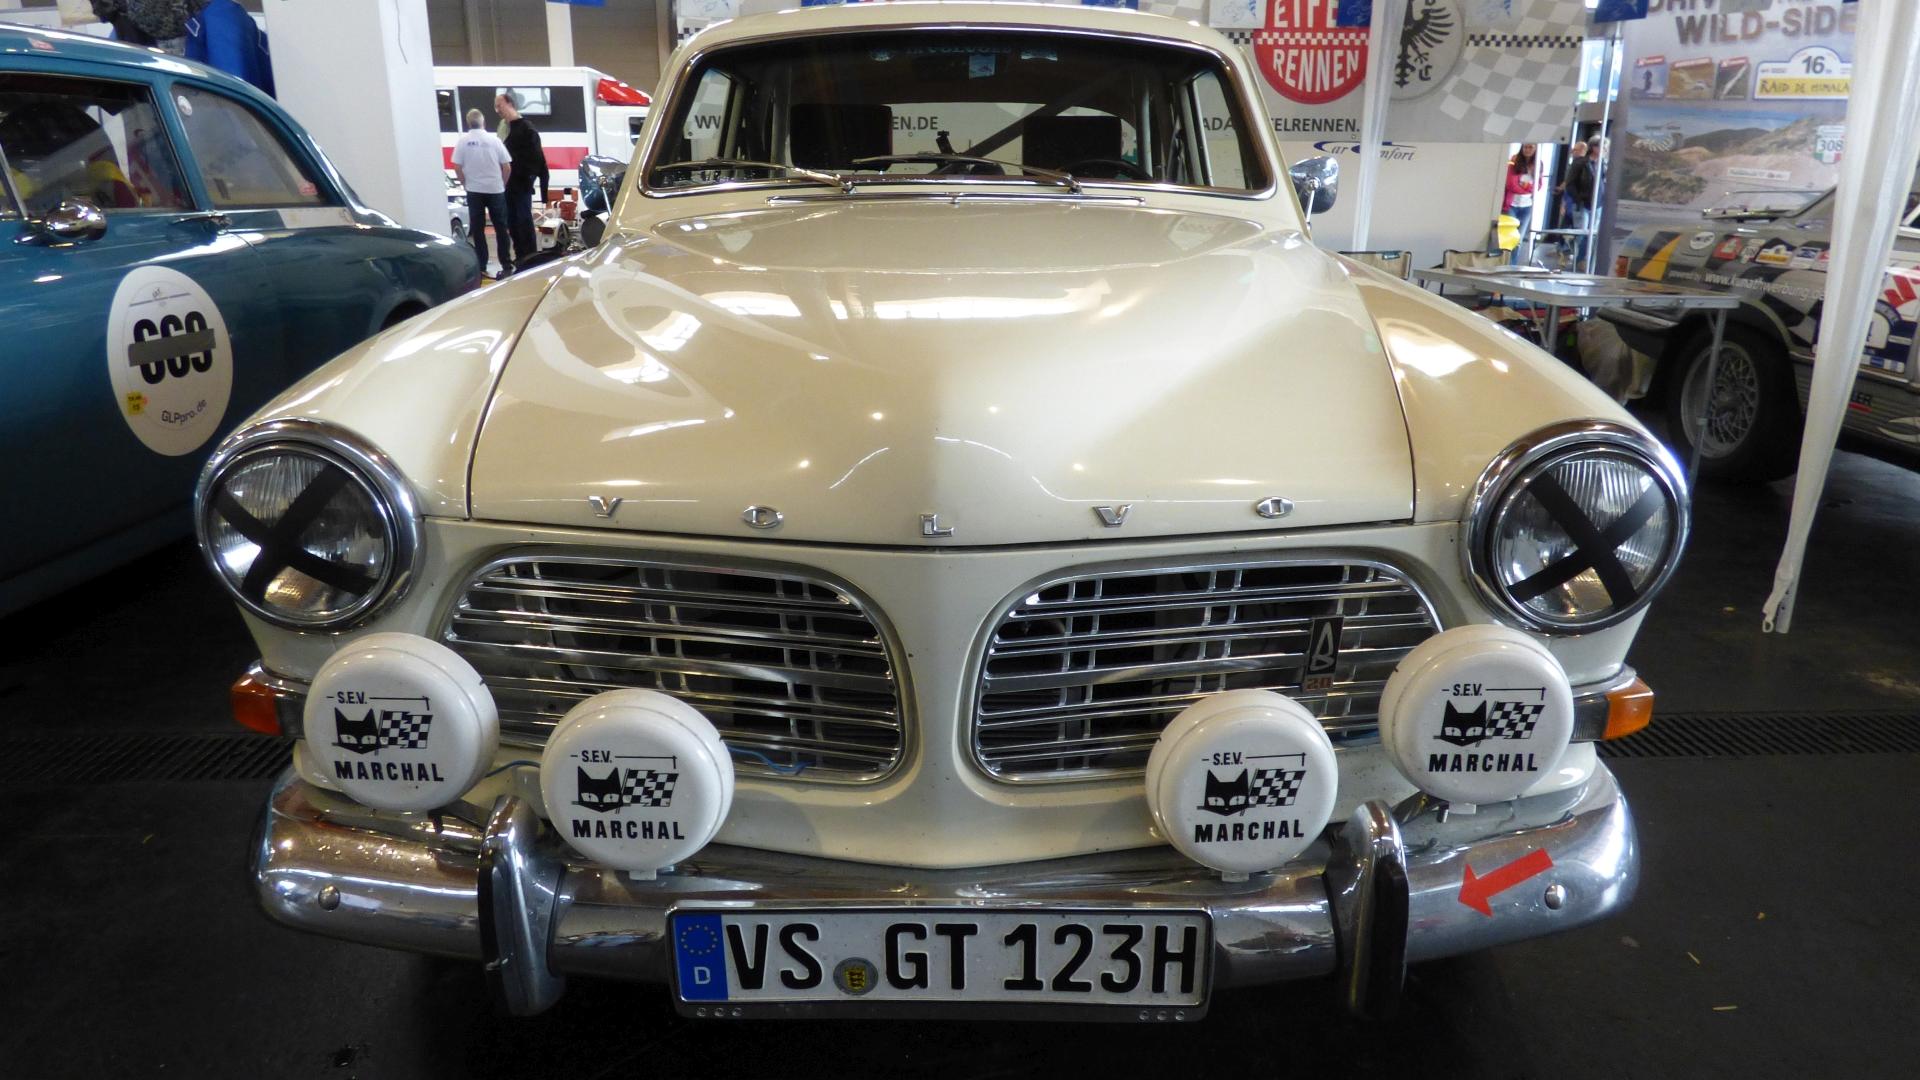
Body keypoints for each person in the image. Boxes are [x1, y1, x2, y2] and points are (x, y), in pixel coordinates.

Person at [451, 108, 513, 278]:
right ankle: (506, 264)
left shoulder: (463, 142)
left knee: (478, 230)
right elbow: (507, 167)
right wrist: (502, 184)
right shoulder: (494, 140)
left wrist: (465, 183)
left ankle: (482, 265)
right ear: (483, 123)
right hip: (495, 189)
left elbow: (457, 166)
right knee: (501, 228)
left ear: (468, 123)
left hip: (474, 190)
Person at [497, 91, 550, 270]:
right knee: (512, 222)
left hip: (521, 185)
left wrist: (535, 185)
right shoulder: (504, 128)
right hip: (509, 185)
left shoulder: (526, 129)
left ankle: (529, 258)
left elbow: (539, 161)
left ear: (510, 104)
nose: (497, 110)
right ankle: (521, 257)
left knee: (522, 221)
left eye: (499, 105)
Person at [1563, 137, 1599, 267]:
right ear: (1594, 148)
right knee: (1581, 233)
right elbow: (1570, 184)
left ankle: (1582, 260)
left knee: (1592, 235)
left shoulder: (1603, 164)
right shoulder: (1580, 163)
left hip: (1597, 205)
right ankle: (1573, 257)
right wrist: (1578, 199)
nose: (1605, 150)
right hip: (1582, 204)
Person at [1503, 143, 1538, 262]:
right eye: (1525, 147)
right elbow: (1511, 184)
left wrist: (1525, 187)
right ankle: (1504, 263)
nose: (1527, 150)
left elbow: (1538, 185)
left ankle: (1512, 265)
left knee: (1519, 239)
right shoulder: (1514, 161)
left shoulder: (1538, 164)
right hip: (1512, 204)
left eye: (1530, 147)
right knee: (1509, 237)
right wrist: (1527, 189)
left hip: (1527, 206)